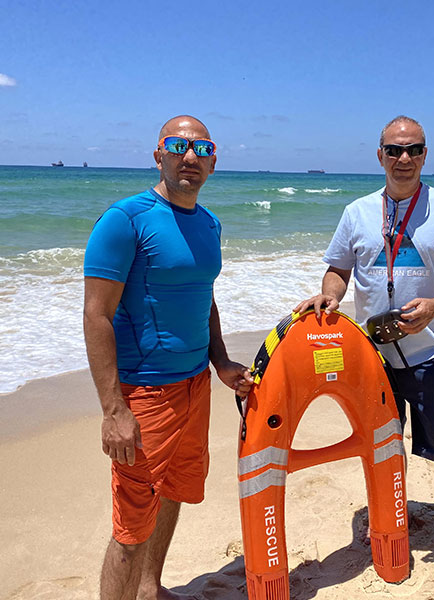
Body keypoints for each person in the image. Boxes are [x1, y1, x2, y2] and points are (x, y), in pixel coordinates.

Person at [295, 116, 434, 600]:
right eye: (394, 150)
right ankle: (390, 523)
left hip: (429, 355)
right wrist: (330, 296)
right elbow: (338, 269)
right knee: (384, 448)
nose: (404, 159)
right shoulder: (358, 211)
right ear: (378, 155)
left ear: (425, 155)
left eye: (414, 150)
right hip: (372, 357)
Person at [83, 115, 253, 600]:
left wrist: (220, 363)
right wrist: (114, 409)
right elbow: (97, 315)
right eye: (179, 145)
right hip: (143, 392)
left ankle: (150, 590)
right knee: (132, 525)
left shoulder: (209, 223)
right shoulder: (125, 219)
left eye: (203, 148)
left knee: (176, 491)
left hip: (195, 383)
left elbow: (205, 297)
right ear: (158, 154)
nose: (191, 157)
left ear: (214, 162)